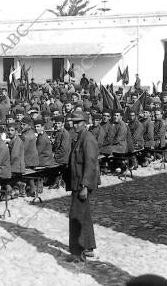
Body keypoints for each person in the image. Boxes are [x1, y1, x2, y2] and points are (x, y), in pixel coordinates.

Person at [64, 111, 99, 262]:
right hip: (77, 182)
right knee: (84, 215)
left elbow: (91, 164)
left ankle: (77, 253)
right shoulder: (80, 138)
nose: (74, 125)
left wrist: (85, 185)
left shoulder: (88, 139)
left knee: (76, 216)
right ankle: (89, 247)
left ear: (85, 123)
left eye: (77, 122)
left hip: (82, 183)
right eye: (73, 122)